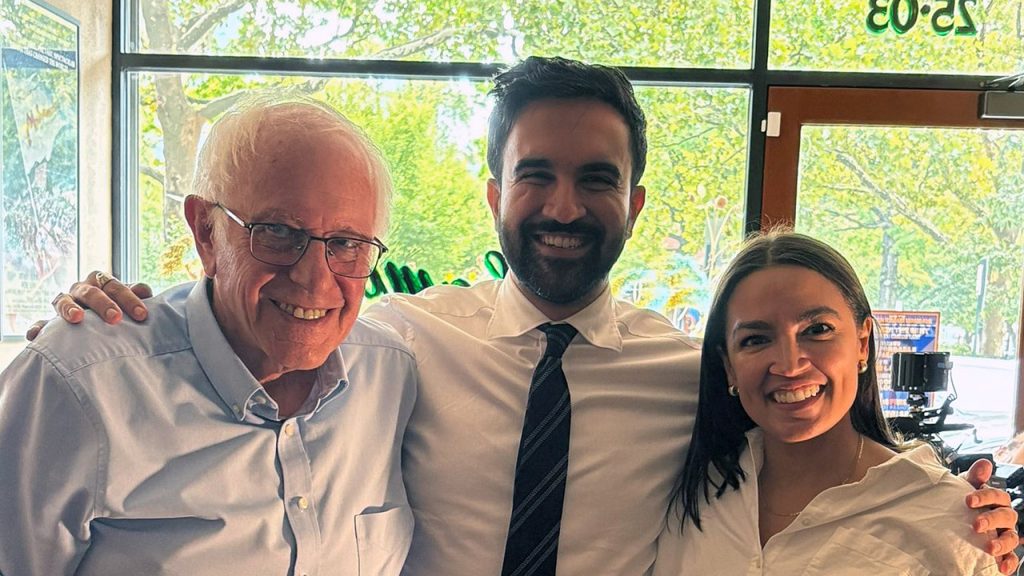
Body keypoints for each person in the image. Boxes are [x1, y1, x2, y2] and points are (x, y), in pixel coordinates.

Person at [32, 57, 1023, 574]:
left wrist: (957, 513)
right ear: (493, 193)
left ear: (635, 203)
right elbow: (277, 291)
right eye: (534, 174)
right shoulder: (395, 339)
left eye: (596, 179)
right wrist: (121, 310)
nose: (561, 206)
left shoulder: (691, 373)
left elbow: (807, 430)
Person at [0, 98, 418, 574]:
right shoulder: (80, 385)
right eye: (278, 232)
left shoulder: (392, 374)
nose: (315, 280)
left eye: (346, 244)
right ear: (206, 231)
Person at [654, 231, 1001, 575]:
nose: (789, 366)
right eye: (755, 339)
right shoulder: (685, 487)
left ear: (862, 343)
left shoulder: (947, 518)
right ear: (729, 365)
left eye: (818, 330)